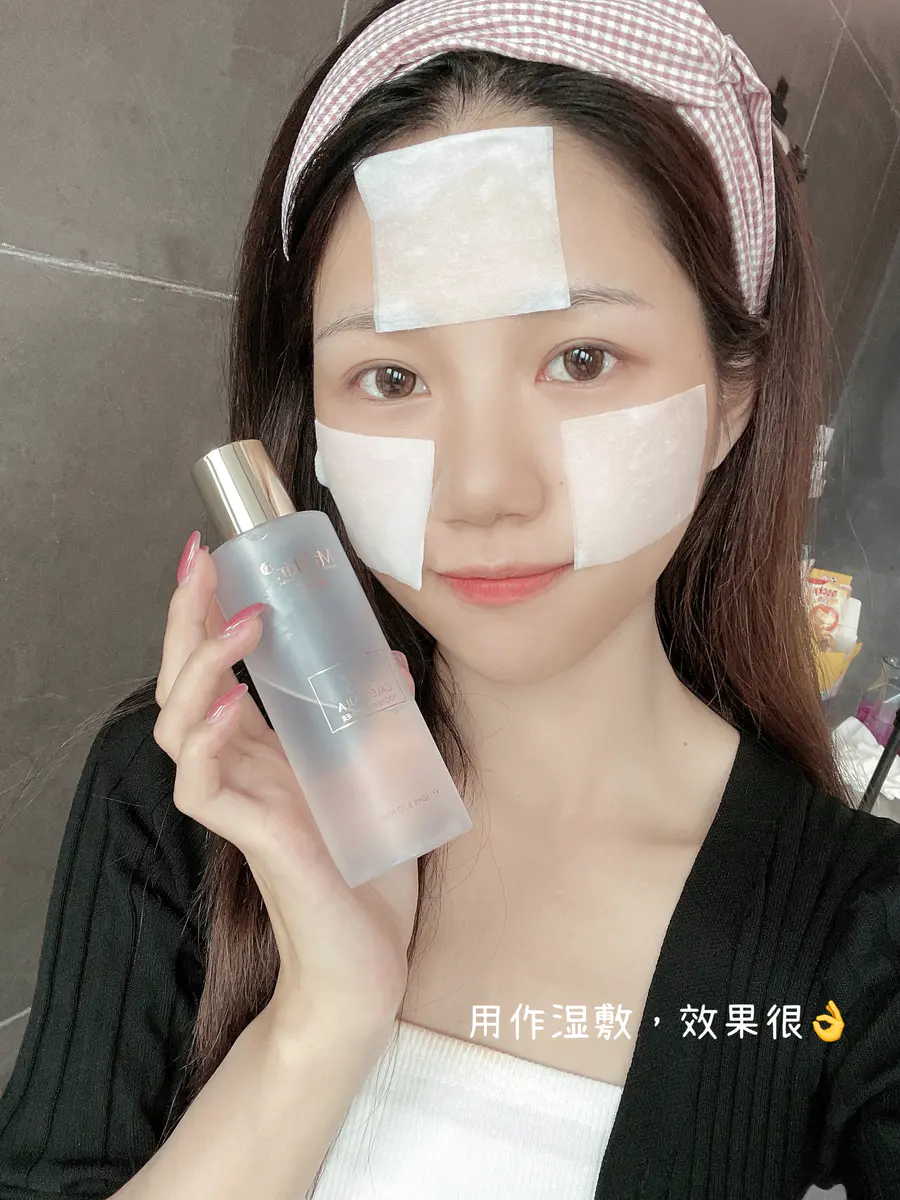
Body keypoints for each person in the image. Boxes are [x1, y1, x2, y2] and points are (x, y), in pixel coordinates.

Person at [1, 0, 898, 1196]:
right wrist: (320, 1019)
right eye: (390, 376)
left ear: (732, 397)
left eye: (581, 359)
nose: (481, 491)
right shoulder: (196, 797)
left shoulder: (856, 940)